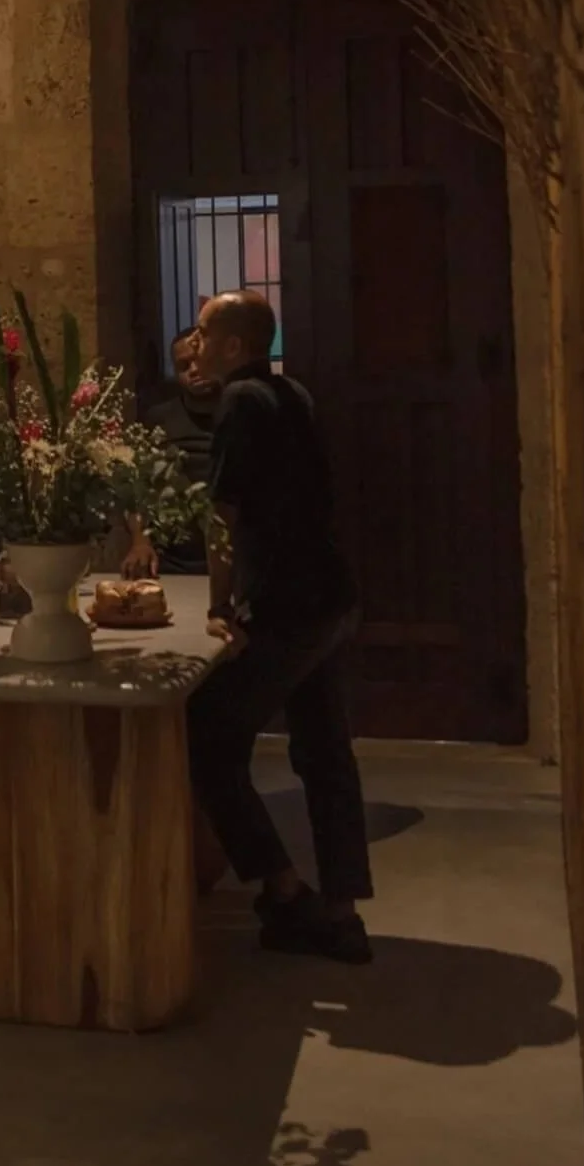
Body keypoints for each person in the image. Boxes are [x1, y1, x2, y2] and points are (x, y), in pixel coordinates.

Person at [187, 292, 374, 964]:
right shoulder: (293, 393)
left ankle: (284, 890)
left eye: (203, 332)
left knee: (206, 737)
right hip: (331, 598)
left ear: (234, 346)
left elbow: (223, 515)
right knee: (325, 752)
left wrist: (218, 607)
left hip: (288, 607)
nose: (194, 343)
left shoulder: (239, 401)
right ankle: (343, 912)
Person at [122, 326, 222, 577]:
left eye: (199, 360)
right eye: (184, 366)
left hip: (234, 558)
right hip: (173, 560)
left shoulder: (241, 412)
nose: (194, 370)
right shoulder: (160, 419)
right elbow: (136, 489)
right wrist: (140, 541)